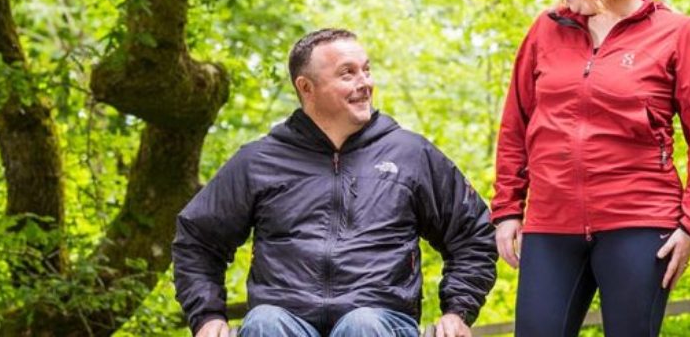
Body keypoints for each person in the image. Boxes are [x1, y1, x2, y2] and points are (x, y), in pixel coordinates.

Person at [491, 0, 690, 337]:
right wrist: (507, 208)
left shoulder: (676, 33)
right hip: (551, 222)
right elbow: (515, 126)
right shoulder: (545, 30)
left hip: (640, 220)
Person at [173, 29, 497, 337]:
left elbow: (472, 234)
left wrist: (457, 311)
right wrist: (208, 317)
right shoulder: (259, 162)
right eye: (348, 73)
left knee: (362, 325)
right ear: (306, 87)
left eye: (366, 70)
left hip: (380, 321)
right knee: (265, 323)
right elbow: (198, 239)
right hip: (283, 321)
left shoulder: (411, 155)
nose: (365, 83)